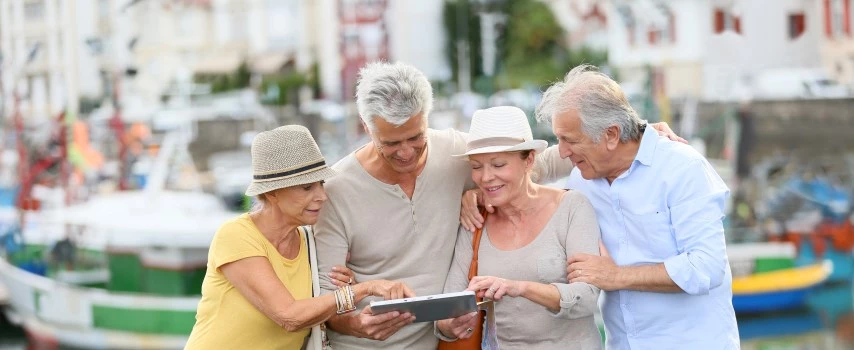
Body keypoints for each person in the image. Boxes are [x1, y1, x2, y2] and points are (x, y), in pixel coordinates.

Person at [313, 62, 576, 350]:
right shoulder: (336, 190)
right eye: (390, 142)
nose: (405, 153)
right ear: (367, 127)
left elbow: (536, 165)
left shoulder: (454, 152)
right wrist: (354, 325)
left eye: (415, 138)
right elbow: (326, 300)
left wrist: (620, 138)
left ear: (427, 118)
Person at [535, 65, 740, 348]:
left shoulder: (682, 168)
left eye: (570, 140)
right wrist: (475, 194)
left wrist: (616, 276)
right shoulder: (581, 178)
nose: (562, 151)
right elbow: (521, 179)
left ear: (611, 135)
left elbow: (706, 266)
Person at [185, 125, 413, 349]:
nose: (322, 196)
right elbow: (289, 316)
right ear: (271, 192)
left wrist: (344, 286)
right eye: (307, 188)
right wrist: (364, 289)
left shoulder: (310, 241)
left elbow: (319, 308)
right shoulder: (235, 235)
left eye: (321, 184)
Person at [436, 106, 602, 349]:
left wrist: (519, 287)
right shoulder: (475, 219)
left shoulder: (571, 207)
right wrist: (448, 325)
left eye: (498, 164)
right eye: (477, 166)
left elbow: (587, 298)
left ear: (530, 160)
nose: (486, 177)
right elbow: (448, 307)